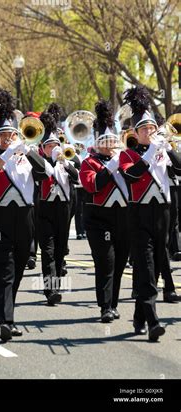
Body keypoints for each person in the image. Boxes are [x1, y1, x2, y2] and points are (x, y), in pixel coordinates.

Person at [0, 90, 49, 342]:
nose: (8, 138)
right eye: (3, 135)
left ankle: (9, 317)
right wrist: (5, 156)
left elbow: (46, 173)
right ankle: (3, 322)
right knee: (3, 271)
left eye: (12, 134)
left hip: (25, 219)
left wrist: (29, 151)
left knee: (16, 271)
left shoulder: (26, 156)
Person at [119, 85, 181, 341]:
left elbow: (179, 170)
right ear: (135, 132)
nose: (149, 132)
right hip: (138, 214)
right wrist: (148, 158)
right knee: (144, 267)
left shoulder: (162, 151)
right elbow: (131, 175)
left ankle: (138, 315)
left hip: (163, 214)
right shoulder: (128, 154)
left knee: (156, 265)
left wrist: (167, 150)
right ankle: (154, 321)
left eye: (152, 128)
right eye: (144, 129)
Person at [80, 100, 131, 323]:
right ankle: (105, 306)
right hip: (99, 219)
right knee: (106, 262)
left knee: (119, 262)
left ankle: (113, 303)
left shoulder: (124, 160)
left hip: (123, 217)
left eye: (113, 140)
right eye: (106, 140)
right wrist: (111, 167)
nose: (111, 144)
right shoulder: (88, 163)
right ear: (98, 142)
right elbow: (93, 186)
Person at [37, 111, 79, 306]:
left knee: (60, 249)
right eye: (49, 146)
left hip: (63, 208)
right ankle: (50, 290)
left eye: (55, 145)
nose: (53, 148)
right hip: (44, 209)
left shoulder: (66, 161)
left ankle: (56, 285)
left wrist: (63, 161)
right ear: (42, 148)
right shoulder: (37, 163)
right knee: (48, 250)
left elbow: (76, 177)